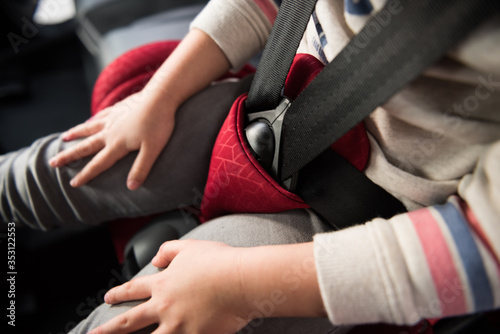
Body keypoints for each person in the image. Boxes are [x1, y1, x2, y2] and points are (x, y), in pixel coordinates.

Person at [1, 0, 499, 333]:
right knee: (54, 168)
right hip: (272, 111)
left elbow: (481, 249)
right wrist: (159, 95)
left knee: (134, 322)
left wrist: (237, 286)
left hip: (353, 224)